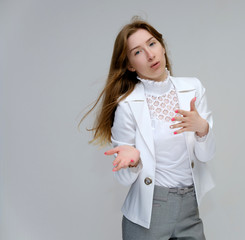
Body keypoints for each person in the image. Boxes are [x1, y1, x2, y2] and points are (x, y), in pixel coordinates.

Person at [83, 16, 215, 240]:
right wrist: (132, 161)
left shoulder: (192, 88)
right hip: (150, 211)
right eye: (137, 52)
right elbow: (124, 179)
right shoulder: (126, 105)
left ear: (162, 46)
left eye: (152, 44)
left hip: (190, 207)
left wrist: (202, 128)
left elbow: (206, 154)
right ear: (129, 65)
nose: (150, 54)